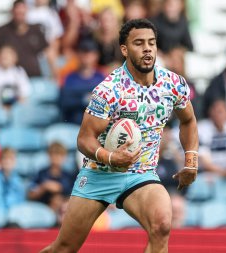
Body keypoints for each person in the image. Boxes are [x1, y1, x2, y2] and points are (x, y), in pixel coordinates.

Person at [40, 18, 198, 253]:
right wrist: (112, 158)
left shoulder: (173, 84)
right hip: (99, 175)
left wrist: (191, 161)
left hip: (141, 175)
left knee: (162, 224)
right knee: (64, 248)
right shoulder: (109, 90)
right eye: (139, 43)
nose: (147, 48)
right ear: (124, 49)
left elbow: (188, 120)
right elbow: (84, 139)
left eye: (151, 43)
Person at [0, 0, 51, 77]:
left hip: (35, 76)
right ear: (12, 11)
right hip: (11, 77)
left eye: (22, 12)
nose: (20, 14)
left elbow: (48, 52)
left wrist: (54, 74)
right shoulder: (3, 31)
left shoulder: (36, 30)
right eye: (18, 12)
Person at [59, 38, 105, 124]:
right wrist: (85, 99)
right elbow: (64, 101)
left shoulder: (101, 77)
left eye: (90, 52)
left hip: (96, 126)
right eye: (83, 52)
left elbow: (107, 102)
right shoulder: (69, 77)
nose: (86, 55)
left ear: (96, 55)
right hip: (73, 124)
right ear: (78, 54)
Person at [28, 142, 77, 223]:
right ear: (49, 156)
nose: (56, 158)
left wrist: (61, 199)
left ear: (64, 157)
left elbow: (73, 197)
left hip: (62, 211)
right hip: (42, 208)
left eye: (60, 155)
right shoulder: (41, 173)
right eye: (54, 155)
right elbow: (30, 195)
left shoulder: (68, 176)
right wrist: (44, 187)